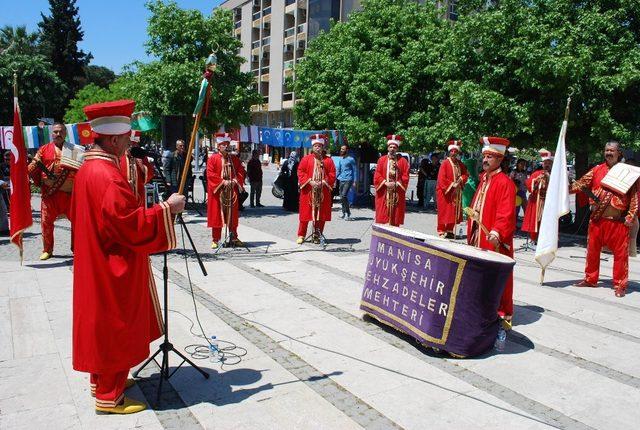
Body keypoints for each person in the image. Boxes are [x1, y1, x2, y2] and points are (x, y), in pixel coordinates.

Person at [70, 99, 185, 414]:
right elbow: (130, 224)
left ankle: (104, 381)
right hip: (111, 264)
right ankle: (109, 397)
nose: (127, 143)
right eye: (125, 137)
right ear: (113, 139)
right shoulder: (106, 175)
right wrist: (166, 209)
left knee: (103, 325)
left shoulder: (89, 168)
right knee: (115, 324)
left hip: (96, 259)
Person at [569, 141, 638, 297]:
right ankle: (590, 279)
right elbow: (580, 185)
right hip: (597, 219)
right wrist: (562, 188)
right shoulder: (596, 170)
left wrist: (631, 215)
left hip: (618, 221)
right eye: (606, 150)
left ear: (619, 152)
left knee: (620, 256)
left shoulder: (628, 172)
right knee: (592, 251)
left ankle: (620, 284)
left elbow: (634, 197)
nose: (608, 153)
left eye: (612, 150)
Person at [468, 136, 516, 327]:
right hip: (479, 237)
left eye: (490, 157)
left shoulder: (504, 182)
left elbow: (506, 213)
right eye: (484, 156)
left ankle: (502, 312)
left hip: (494, 240)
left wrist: (497, 232)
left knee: (496, 277)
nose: (485, 160)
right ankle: (481, 307)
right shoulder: (484, 180)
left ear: (500, 160)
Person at [27, 123, 75, 260]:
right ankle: (47, 249)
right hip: (50, 195)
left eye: (60, 132)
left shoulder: (73, 149)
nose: (58, 134)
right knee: (46, 223)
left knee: (77, 223)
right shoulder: (43, 149)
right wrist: (27, 170)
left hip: (69, 194)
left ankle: (76, 248)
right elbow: (33, 166)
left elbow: (81, 168)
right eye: (55, 132)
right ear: (51, 134)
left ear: (65, 133)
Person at [207, 133, 246, 248]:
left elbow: (240, 171)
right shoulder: (213, 159)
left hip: (231, 191)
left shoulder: (234, 158)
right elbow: (210, 174)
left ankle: (233, 237)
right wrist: (222, 182)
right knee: (217, 216)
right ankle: (215, 239)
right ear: (219, 146)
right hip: (218, 192)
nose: (226, 146)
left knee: (232, 216)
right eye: (223, 144)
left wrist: (235, 181)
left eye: (227, 144)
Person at [296, 134, 336, 244]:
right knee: (305, 214)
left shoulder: (328, 161)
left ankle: (317, 235)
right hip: (308, 190)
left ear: (323, 147)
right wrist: (310, 181)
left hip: (322, 191)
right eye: (315, 146)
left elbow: (332, 174)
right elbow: (300, 171)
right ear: (312, 148)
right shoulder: (306, 159)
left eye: (319, 146)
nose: (317, 148)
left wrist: (324, 182)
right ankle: (301, 235)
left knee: (321, 215)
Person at [374, 135, 410, 226]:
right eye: (391, 147)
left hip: (397, 190)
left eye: (394, 147)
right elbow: (377, 174)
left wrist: (396, 183)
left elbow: (406, 175)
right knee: (383, 212)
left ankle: (394, 229)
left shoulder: (403, 161)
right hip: (384, 190)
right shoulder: (381, 160)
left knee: (396, 211)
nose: (392, 149)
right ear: (388, 148)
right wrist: (385, 182)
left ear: (397, 149)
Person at [436, 140, 469, 238]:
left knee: (453, 211)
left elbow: (466, 174)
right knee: (444, 210)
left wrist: (462, 179)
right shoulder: (445, 163)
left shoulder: (460, 163)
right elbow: (441, 178)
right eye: (452, 151)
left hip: (456, 192)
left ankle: (450, 230)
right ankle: (441, 230)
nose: (454, 153)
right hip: (444, 191)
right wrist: (451, 184)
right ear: (449, 152)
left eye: (456, 152)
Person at [522, 150, 553, 242]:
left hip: (549, 202)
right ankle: (533, 239)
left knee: (547, 221)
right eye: (545, 163)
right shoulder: (536, 173)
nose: (547, 165)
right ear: (542, 164)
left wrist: (548, 178)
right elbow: (528, 184)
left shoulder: (554, 175)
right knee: (536, 220)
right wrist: (536, 181)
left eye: (549, 163)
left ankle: (546, 240)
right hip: (537, 201)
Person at [119, 130, 155, 208]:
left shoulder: (140, 155)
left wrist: (142, 167)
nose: (132, 146)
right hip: (123, 195)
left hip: (139, 195)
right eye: (130, 144)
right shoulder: (119, 156)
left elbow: (150, 175)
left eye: (134, 144)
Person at [336, 144, 356, 220]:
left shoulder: (351, 159)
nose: (341, 150)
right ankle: (343, 213)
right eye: (341, 149)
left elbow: (355, 170)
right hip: (341, 179)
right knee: (341, 197)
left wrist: (355, 181)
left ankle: (348, 213)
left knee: (344, 195)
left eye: (343, 149)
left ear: (347, 150)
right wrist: (335, 178)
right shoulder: (341, 159)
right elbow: (339, 169)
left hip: (349, 179)